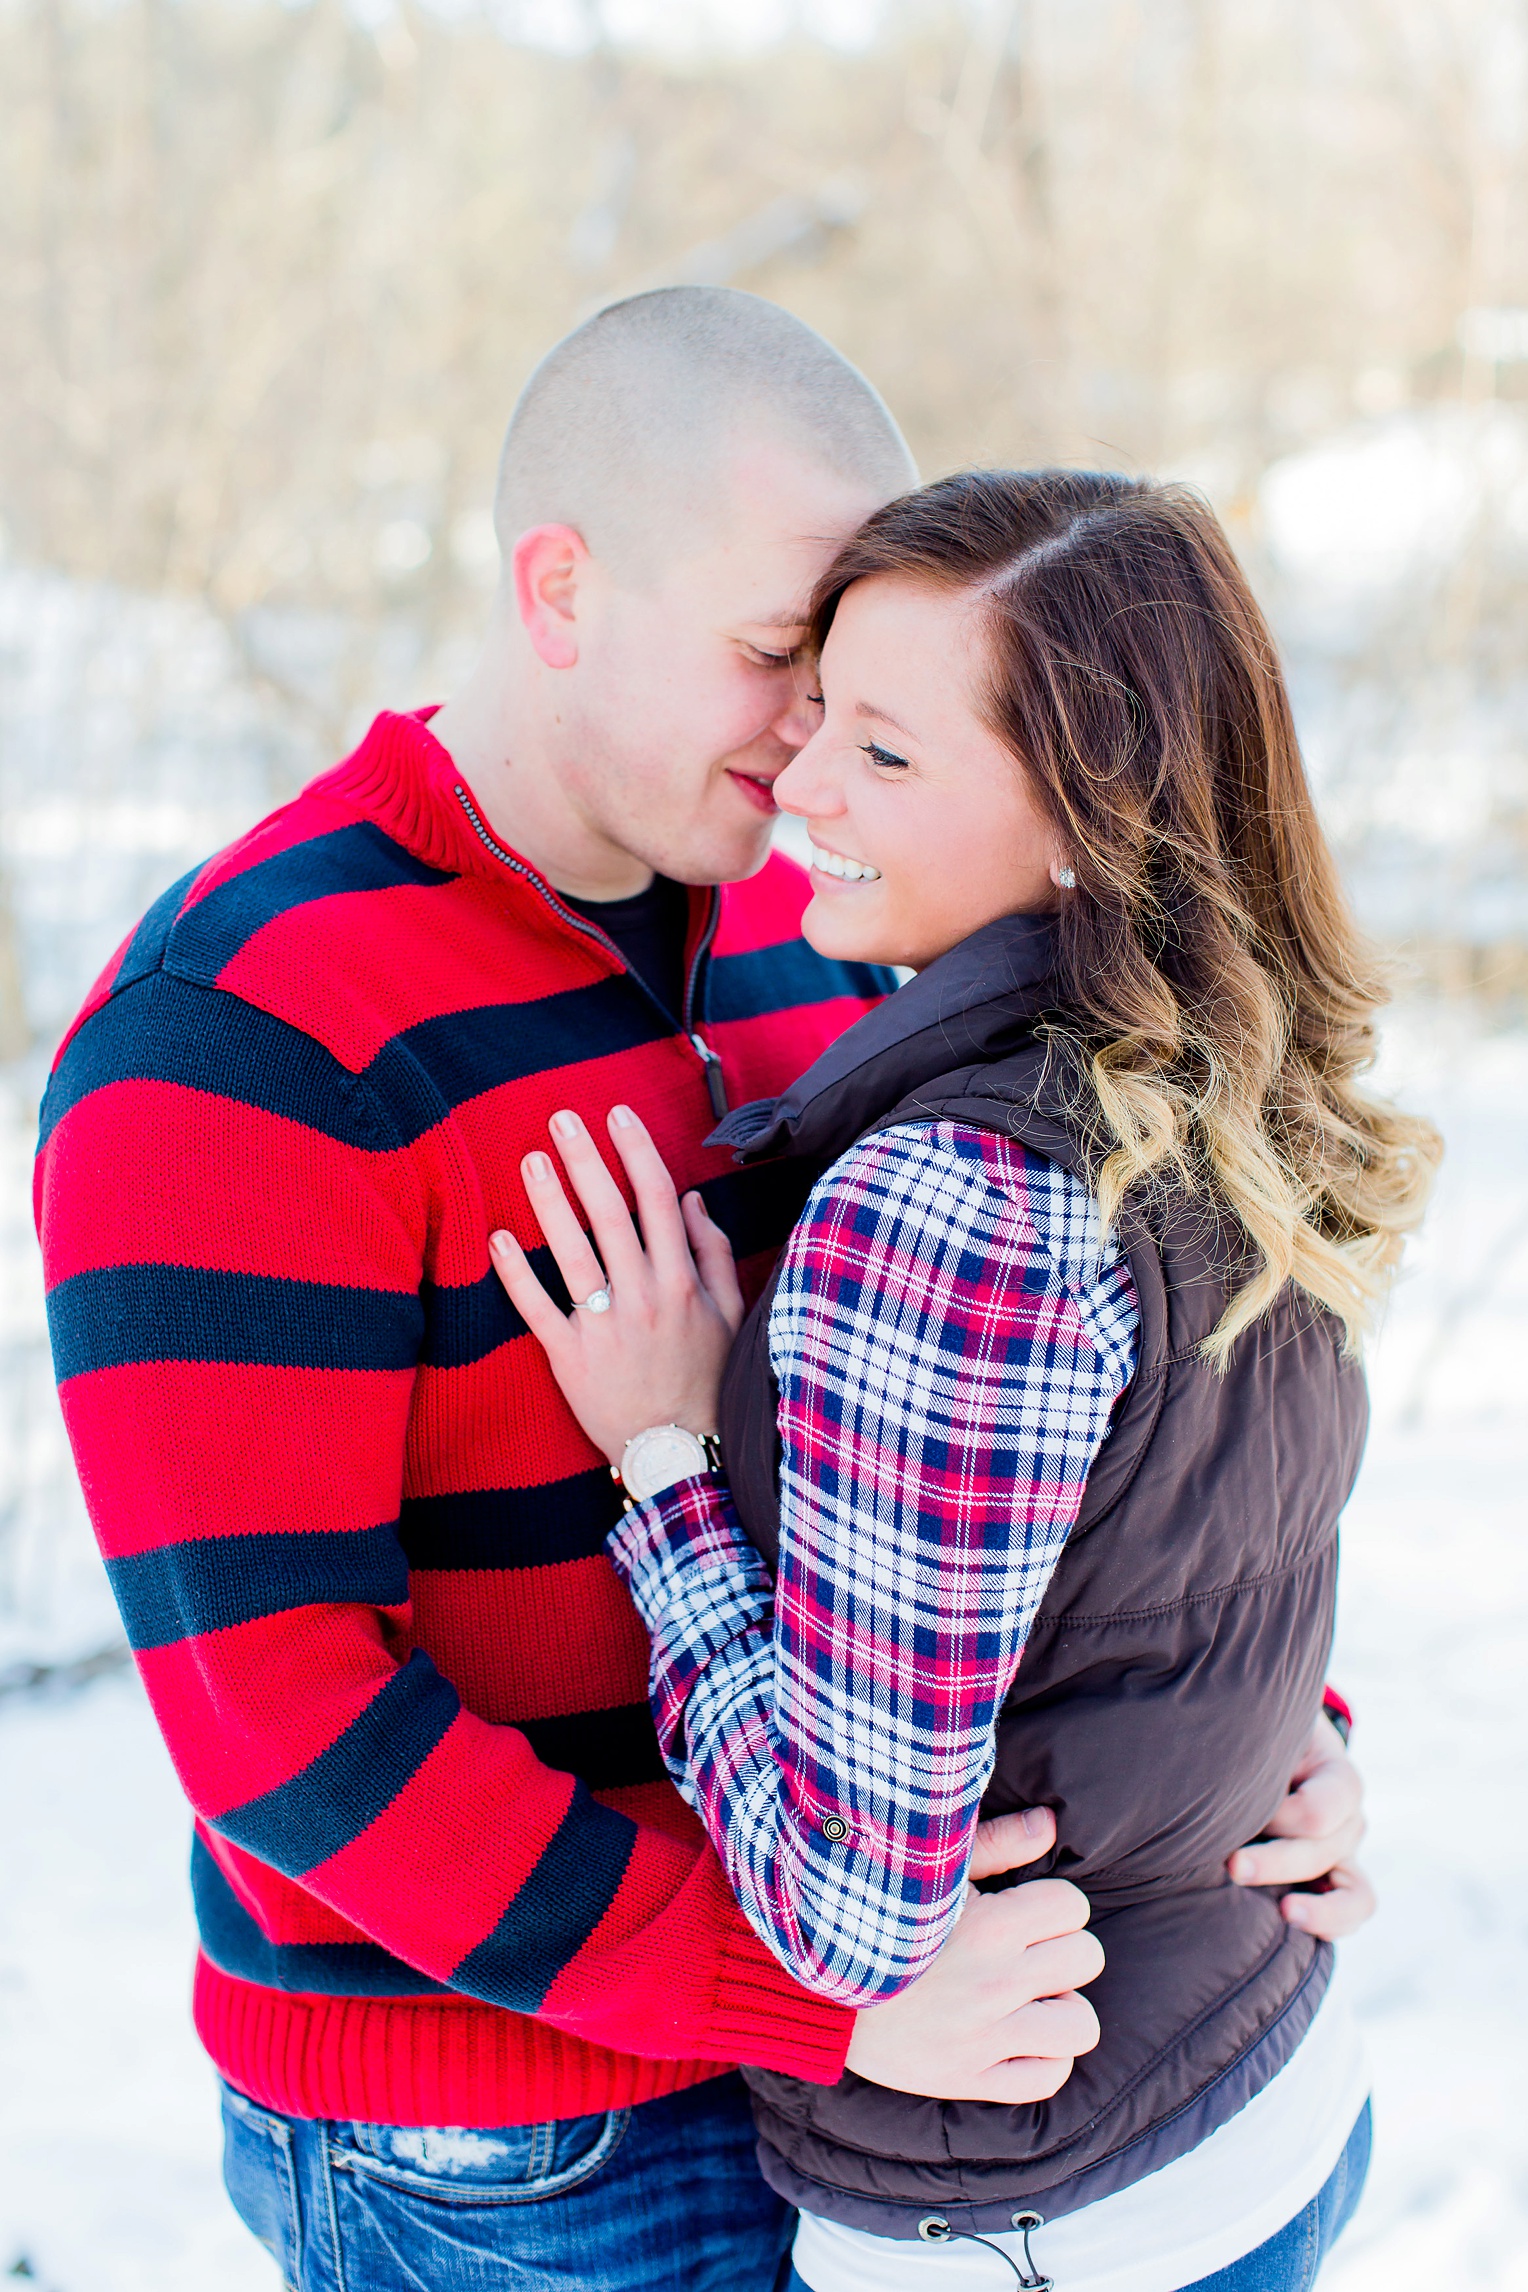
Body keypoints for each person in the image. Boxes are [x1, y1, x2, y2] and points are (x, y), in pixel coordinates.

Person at [35, 294, 1368, 2292]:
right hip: (516, 2147)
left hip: (891, 2075)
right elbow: (288, 1731)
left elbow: (1037, 1442)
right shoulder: (235, 1038)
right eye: (770, 659)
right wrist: (800, 1993)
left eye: (845, 675)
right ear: (557, 590)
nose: (807, 738)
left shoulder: (822, 916)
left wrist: (1251, 1742)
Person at [489, 469, 1435, 2291]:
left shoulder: (956, 1205)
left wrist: (668, 1460)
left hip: (1043, 2210)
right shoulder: (1230, 1076)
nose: (802, 782)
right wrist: (1277, 1749)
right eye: (817, 703)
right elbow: (1168, 1552)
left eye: (888, 754)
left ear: (1090, 817)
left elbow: (854, 1914)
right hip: (1261, 2087)